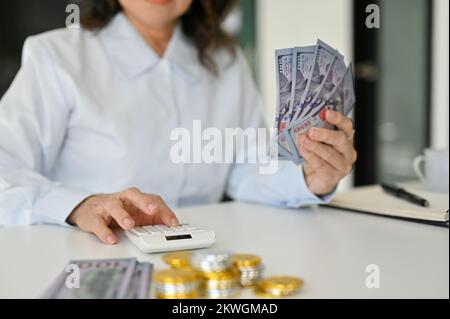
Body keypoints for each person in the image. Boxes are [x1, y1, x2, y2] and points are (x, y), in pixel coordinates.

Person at [0, 0, 356, 244]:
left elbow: (243, 168)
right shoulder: (55, 56)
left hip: (209, 260)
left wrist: (307, 178)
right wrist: (77, 205)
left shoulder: (226, 59)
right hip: (95, 257)